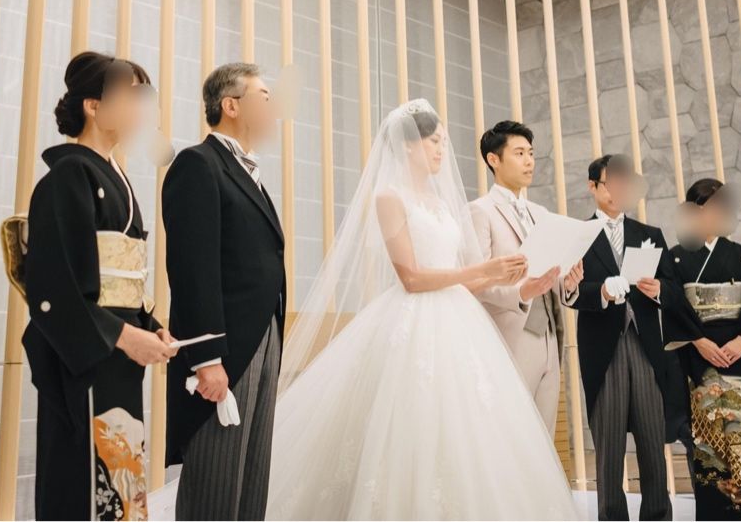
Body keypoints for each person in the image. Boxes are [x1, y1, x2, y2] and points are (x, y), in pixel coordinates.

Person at [266, 99, 578, 519]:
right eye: (434, 142)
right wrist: (482, 269)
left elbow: (462, 278)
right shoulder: (389, 197)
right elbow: (411, 277)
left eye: (443, 142)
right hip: (413, 319)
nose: (441, 151)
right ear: (408, 144)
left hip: (460, 319)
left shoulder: (440, 201)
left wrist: (517, 283)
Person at [22, 52, 176, 521]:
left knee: (122, 472)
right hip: (88, 354)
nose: (139, 107)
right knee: (88, 477)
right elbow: (55, 289)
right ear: (93, 105)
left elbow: (124, 277)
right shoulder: (70, 176)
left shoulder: (114, 175)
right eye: (129, 95)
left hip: (118, 348)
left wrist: (151, 326)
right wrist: (126, 337)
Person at [163, 63, 286, 520]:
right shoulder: (198, 164)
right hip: (225, 347)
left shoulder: (248, 171)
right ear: (231, 106)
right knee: (215, 484)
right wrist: (205, 357)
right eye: (264, 97)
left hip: (262, 336)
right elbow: (192, 268)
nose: (274, 108)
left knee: (251, 477)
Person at [659, 178, 741, 521]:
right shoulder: (675, 257)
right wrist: (699, 341)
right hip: (700, 361)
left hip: (740, 358)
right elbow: (673, 304)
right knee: (709, 448)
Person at [565, 153, 671, 521]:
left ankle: (658, 515)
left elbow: (673, 289)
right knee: (608, 449)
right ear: (593, 186)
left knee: (653, 444)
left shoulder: (650, 234)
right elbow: (570, 292)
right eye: (612, 183)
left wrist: (659, 290)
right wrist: (602, 292)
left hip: (645, 348)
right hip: (603, 351)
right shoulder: (577, 236)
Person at [468, 120, 583, 431]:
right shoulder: (480, 211)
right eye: (519, 153)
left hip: (550, 336)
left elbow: (549, 273)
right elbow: (475, 283)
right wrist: (521, 292)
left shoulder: (541, 213)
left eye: (531, 153)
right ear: (494, 159)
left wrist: (567, 283)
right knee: (510, 432)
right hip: (510, 337)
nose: (529, 161)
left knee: (544, 435)